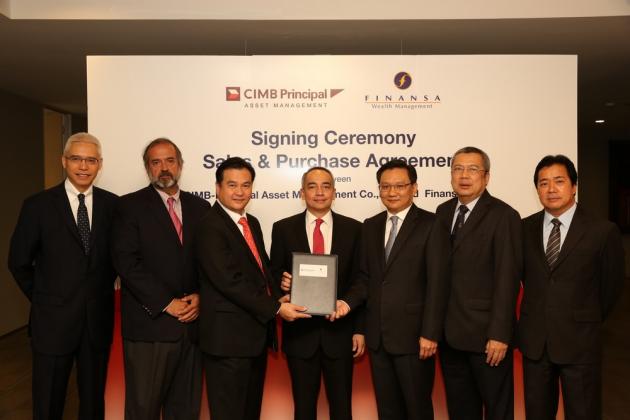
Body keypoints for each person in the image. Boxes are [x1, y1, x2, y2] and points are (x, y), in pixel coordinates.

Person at [8, 132, 118, 420]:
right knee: (48, 402)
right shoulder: (38, 205)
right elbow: (18, 262)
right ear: (64, 161)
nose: (83, 166)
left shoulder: (113, 206)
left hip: (96, 323)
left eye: (91, 160)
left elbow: (118, 260)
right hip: (52, 323)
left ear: (100, 164)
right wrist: (45, 298)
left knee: (93, 403)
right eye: (76, 159)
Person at [196, 157, 310, 420]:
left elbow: (262, 270)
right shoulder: (209, 226)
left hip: (253, 339)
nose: (240, 192)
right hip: (227, 342)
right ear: (217, 188)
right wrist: (277, 308)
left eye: (246, 185)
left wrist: (282, 291)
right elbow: (229, 281)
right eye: (232, 185)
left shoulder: (251, 222)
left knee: (249, 412)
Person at [339, 159, 450, 420]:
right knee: (387, 410)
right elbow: (365, 278)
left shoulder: (432, 224)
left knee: (417, 409)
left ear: (414, 188)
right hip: (378, 338)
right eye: (385, 186)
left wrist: (430, 333)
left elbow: (438, 283)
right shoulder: (370, 225)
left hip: (415, 338)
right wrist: (347, 304)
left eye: (399, 186)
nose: (392, 192)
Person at [517, 155, 625, 420]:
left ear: (574, 186)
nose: (551, 189)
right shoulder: (522, 228)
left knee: (583, 413)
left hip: (580, 343)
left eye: (559, 181)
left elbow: (611, 287)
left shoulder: (602, 231)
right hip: (536, 344)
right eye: (543, 183)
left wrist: (584, 318)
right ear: (537, 189)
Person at [112, 138, 210, 419]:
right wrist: (167, 303)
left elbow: (209, 262)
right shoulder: (128, 206)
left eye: (170, 161)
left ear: (180, 165)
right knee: (143, 409)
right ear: (147, 168)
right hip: (149, 329)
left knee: (186, 410)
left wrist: (201, 296)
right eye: (156, 162)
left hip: (192, 329)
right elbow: (126, 263)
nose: (164, 168)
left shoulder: (201, 207)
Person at [269, 166, 365, 420]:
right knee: (303, 409)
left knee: (342, 409)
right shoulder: (283, 228)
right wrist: (283, 284)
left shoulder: (355, 229)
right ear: (302, 193)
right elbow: (273, 273)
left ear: (334, 192)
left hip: (340, 333)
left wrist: (359, 328)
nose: (319, 192)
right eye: (312, 186)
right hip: (300, 335)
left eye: (326, 186)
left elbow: (361, 279)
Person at [435, 146, 522, 420]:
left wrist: (499, 334)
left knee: (497, 410)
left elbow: (508, 279)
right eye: (458, 169)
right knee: (461, 411)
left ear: (486, 177)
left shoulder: (504, 215)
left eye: (472, 169)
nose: (464, 175)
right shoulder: (443, 211)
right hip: (450, 336)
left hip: (487, 338)